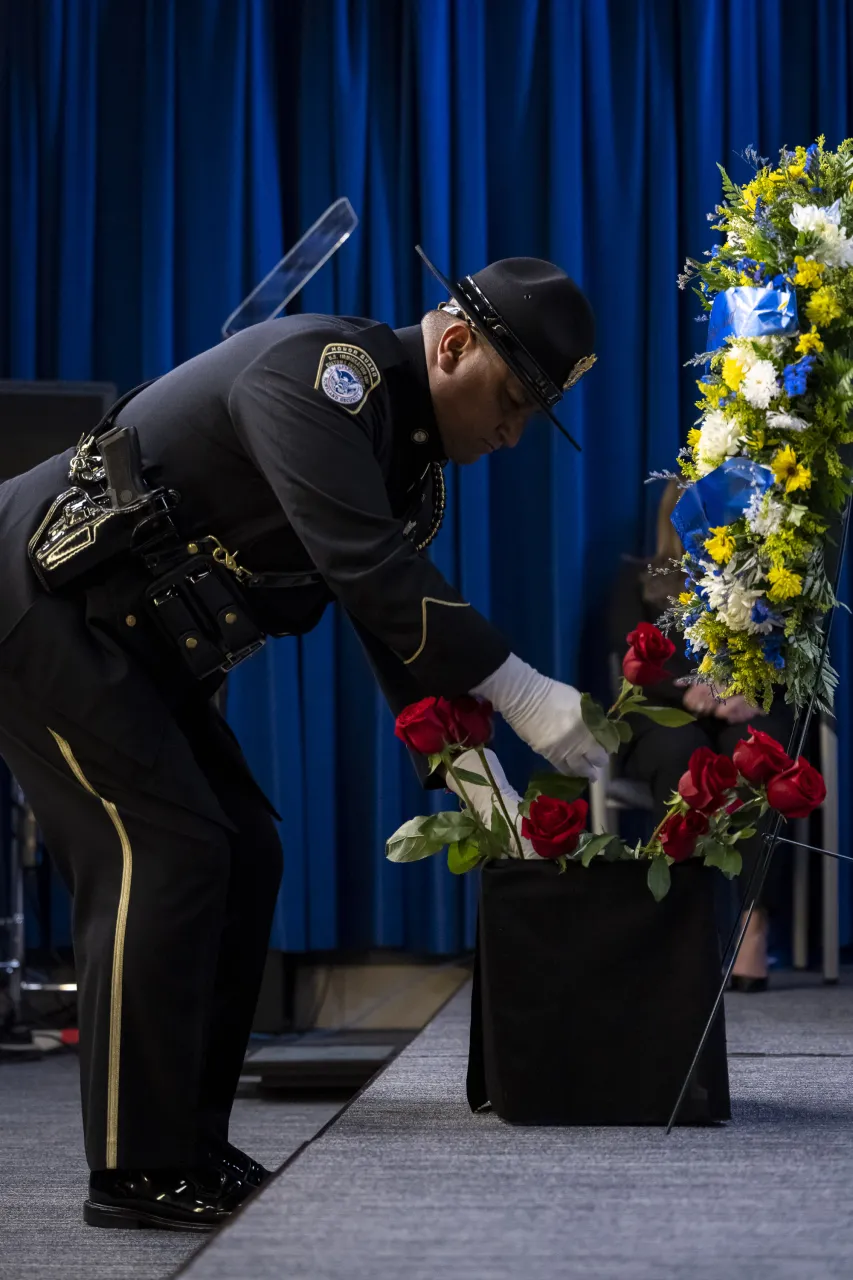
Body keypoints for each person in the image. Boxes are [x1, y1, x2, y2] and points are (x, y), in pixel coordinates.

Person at [0, 248, 607, 1230]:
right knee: (166, 847)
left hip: (122, 642)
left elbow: (398, 647)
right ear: (453, 343)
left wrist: (498, 813)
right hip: (37, 607)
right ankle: (134, 1167)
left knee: (247, 846)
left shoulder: (405, 470)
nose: (513, 430)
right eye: (514, 397)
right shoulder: (322, 378)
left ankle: (191, 1144)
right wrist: (528, 690)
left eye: (531, 414)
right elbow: (369, 573)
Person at [609, 478, 793, 990]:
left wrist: (750, 687)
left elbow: (790, 659)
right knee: (682, 755)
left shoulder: (762, 578)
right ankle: (680, 929)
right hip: (668, 714)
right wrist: (685, 689)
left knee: (759, 761)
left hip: (744, 710)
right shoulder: (639, 578)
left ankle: (752, 927)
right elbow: (627, 660)